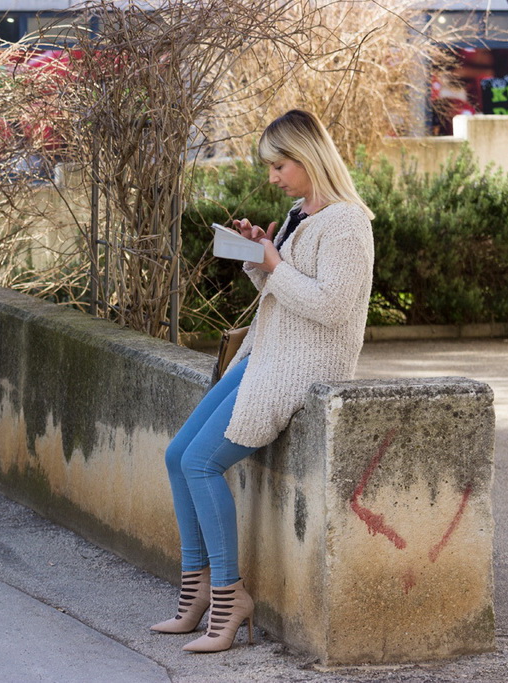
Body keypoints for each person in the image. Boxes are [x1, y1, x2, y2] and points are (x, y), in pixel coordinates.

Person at [150, 109, 375, 653]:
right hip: (266, 354)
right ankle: (197, 588)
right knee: (178, 456)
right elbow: (284, 289)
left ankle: (229, 599)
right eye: (270, 167)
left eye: (280, 165)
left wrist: (275, 266)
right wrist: (258, 257)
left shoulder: (347, 223)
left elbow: (333, 308)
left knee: (203, 463)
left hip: (303, 368)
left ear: (309, 157)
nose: (272, 177)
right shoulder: (301, 212)